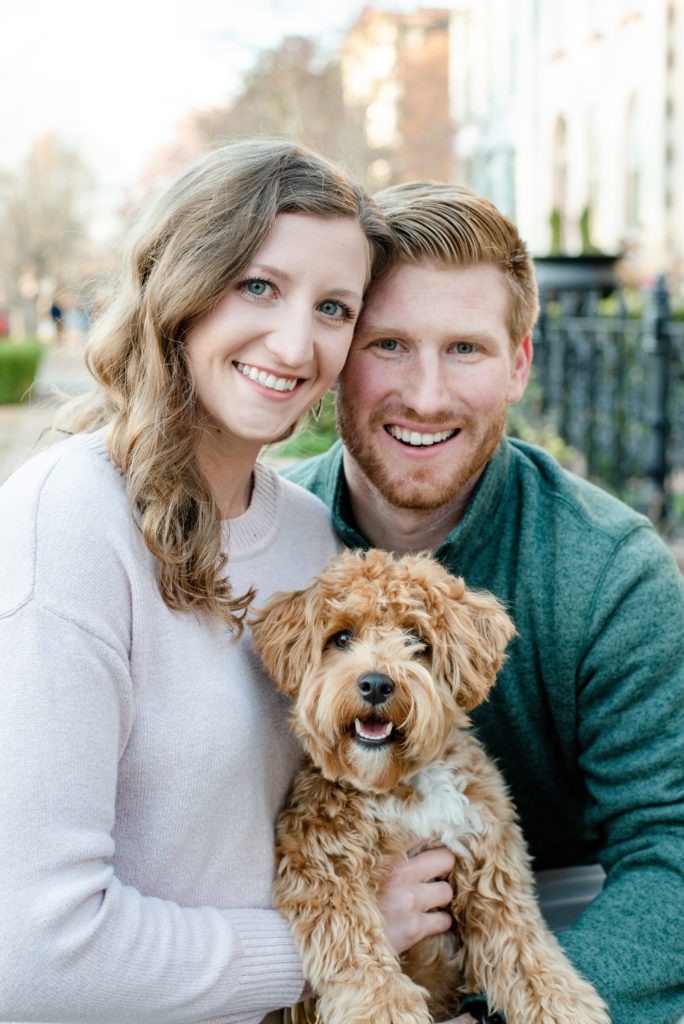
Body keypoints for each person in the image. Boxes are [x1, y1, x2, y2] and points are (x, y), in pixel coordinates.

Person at [0, 142, 460, 1024]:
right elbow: (35, 954)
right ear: (180, 287)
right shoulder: (67, 521)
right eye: (258, 286)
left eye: (334, 307)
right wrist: (340, 942)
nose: (295, 343)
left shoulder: (308, 536)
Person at [285, 181, 684, 1024]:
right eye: (389, 344)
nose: (425, 395)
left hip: (552, 944)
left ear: (518, 364)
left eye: (464, 349)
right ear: (336, 355)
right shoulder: (258, 543)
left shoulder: (609, 573)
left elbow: (672, 848)